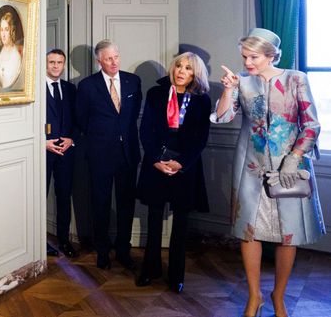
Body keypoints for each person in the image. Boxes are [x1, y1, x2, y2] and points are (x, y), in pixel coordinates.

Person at [213, 28, 325, 317]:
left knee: (289, 234)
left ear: (271, 55)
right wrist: (228, 89)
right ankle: (254, 297)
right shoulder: (242, 82)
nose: (247, 62)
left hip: (290, 165)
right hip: (250, 165)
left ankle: (279, 295)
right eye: (244, 56)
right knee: (249, 232)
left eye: (253, 57)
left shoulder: (296, 79)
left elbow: (311, 124)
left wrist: (295, 157)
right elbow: (223, 116)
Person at [135, 52, 211, 293]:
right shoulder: (156, 93)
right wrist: (157, 160)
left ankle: (176, 275)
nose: (181, 71)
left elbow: (201, 139)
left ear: (195, 74)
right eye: (179, 66)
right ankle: (150, 269)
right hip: (156, 162)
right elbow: (145, 130)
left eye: (188, 68)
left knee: (181, 224)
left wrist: (181, 164)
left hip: (185, 166)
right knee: (154, 219)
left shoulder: (202, 100)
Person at [76, 39, 142, 270]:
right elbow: (82, 121)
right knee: (100, 204)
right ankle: (102, 251)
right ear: (99, 61)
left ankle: (123, 250)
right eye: (108, 59)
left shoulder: (133, 81)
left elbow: (132, 116)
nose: (114, 62)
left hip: (128, 154)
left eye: (116, 57)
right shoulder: (86, 86)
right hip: (100, 155)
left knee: (126, 205)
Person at [45, 49, 80, 258]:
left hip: (66, 152)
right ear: (45, 64)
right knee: (39, 197)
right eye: (52, 62)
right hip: (44, 151)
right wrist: (43, 142)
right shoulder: (35, 87)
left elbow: (78, 120)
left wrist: (71, 139)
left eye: (59, 62)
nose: (56, 66)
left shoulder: (70, 89)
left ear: (64, 65)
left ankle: (64, 241)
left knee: (64, 196)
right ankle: (39, 243)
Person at [0, 12, 22, 89]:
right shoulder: (2, 52)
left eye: (6, 29)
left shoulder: (15, 57)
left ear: (11, 31)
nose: (3, 34)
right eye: (1, 30)